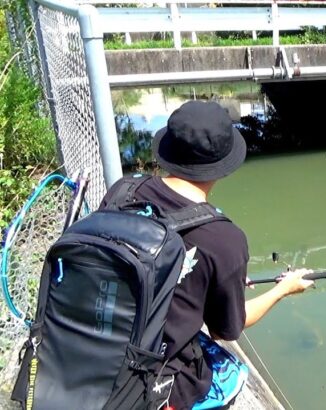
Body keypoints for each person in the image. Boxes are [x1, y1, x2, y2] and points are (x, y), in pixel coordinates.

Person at [100, 100, 314, 409]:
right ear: (225, 164)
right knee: (229, 375)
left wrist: (218, 279)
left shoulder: (123, 190)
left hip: (95, 343)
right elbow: (227, 329)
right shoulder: (224, 240)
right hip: (150, 379)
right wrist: (284, 288)